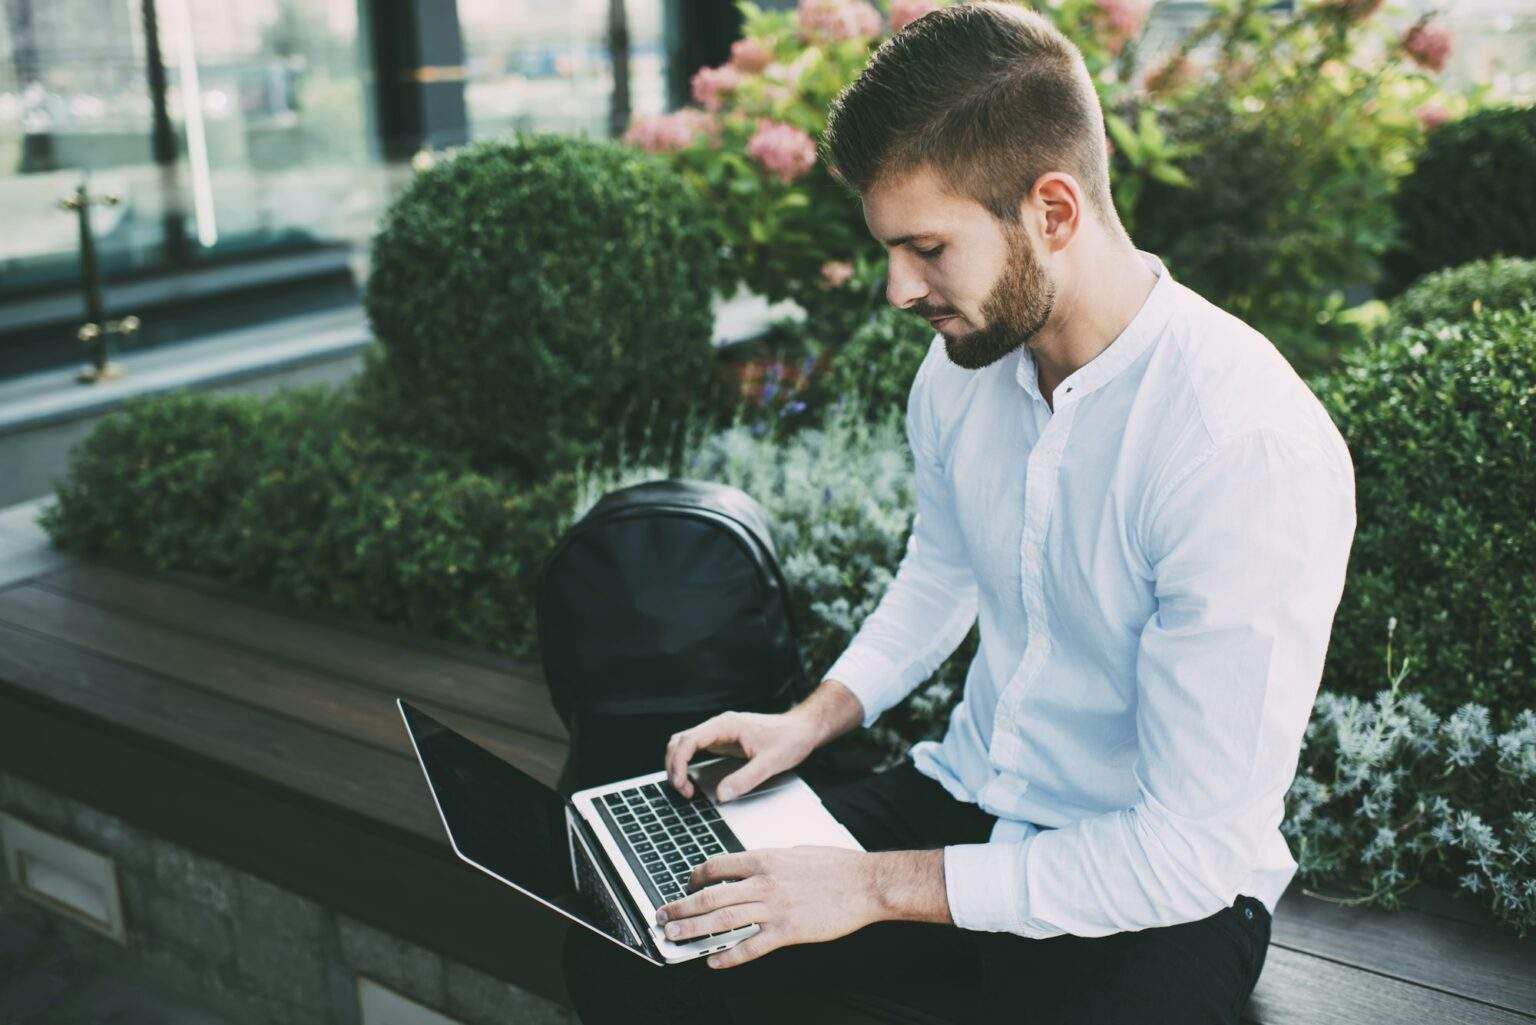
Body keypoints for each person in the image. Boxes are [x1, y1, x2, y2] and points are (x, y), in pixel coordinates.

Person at [563, 3, 1356, 1022]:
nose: (900, 287)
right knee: (651, 935)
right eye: (891, 248)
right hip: (969, 797)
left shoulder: (1239, 446)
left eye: (928, 247)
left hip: (1148, 890)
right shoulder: (964, 367)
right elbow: (941, 569)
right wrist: (809, 720)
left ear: (1053, 212)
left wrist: (867, 884)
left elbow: (1190, 850)